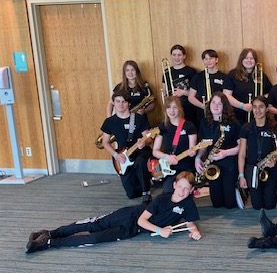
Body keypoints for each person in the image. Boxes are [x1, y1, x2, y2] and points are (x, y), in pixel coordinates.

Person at [25, 171, 202, 254]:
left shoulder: (188, 203)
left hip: (131, 230)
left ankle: (48, 243)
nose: (182, 191)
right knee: (93, 225)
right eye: (180, 187)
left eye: (187, 189)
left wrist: (194, 232)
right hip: (131, 215)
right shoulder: (162, 199)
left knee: (94, 239)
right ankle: (51, 232)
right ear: (174, 185)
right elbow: (142, 220)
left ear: (191, 190)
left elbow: (190, 223)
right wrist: (159, 230)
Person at [101, 90, 154, 203]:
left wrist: (144, 143)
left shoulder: (139, 118)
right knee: (132, 194)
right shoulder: (109, 121)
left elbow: (149, 137)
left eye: (124, 101)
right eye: (118, 101)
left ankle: (146, 192)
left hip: (140, 151)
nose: (121, 104)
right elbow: (105, 142)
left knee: (140, 162)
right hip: (123, 156)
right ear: (113, 103)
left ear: (129, 103)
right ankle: (145, 180)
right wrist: (116, 155)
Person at [195, 92, 241, 209]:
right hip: (213, 164)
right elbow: (203, 145)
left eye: (219, 104)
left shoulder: (233, 123)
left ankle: (237, 189)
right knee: (217, 203)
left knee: (230, 204)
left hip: (229, 162)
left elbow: (241, 147)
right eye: (213, 102)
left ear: (224, 106)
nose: (216, 106)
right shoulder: (205, 122)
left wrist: (225, 153)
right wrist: (198, 158)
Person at [238, 95, 277, 210]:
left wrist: (274, 160)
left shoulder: (275, 127)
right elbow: (242, 154)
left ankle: (270, 193)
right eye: (255, 107)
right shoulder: (246, 128)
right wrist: (241, 176)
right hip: (253, 168)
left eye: (261, 107)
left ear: (267, 108)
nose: (257, 110)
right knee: (257, 206)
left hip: (270, 167)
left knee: (270, 205)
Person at [151, 96, 198, 193]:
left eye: (175, 107)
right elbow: (155, 151)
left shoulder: (189, 126)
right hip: (168, 166)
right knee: (168, 191)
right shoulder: (162, 127)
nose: (171, 111)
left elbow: (192, 149)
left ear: (180, 109)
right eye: (168, 107)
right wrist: (167, 157)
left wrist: (192, 152)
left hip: (185, 167)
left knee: (181, 189)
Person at [223, 48, 272, 124]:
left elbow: (268, 93)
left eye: (252, 58)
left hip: (256, 116)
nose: (249, 60)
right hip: (236, 115)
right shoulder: (233, 74)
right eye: (246, 58)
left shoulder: (260, 76)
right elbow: (226, 95)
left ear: (255, 60)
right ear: (241, 59)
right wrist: (242, 106)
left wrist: (259, 105)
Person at [188, 49, 227, 125]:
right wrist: (203, 106)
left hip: (219, 112)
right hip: (202, 113)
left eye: (211, 58)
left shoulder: (224, 77)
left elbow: (226, 97)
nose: (208, 61)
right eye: (206, 59)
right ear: (203, 61)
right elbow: (191, 97)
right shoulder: (197, 77)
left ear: (216, 60)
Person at [163, 44, 199, 126]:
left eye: (179, 55)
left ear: (184, 56)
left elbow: (197, 93)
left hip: (188, 107)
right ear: (171, 56)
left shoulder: (191, 71)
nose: (176, 57)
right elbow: (165, 92)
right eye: (174, 55)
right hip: (172, 109)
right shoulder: (166, 72)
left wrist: (183, 92)